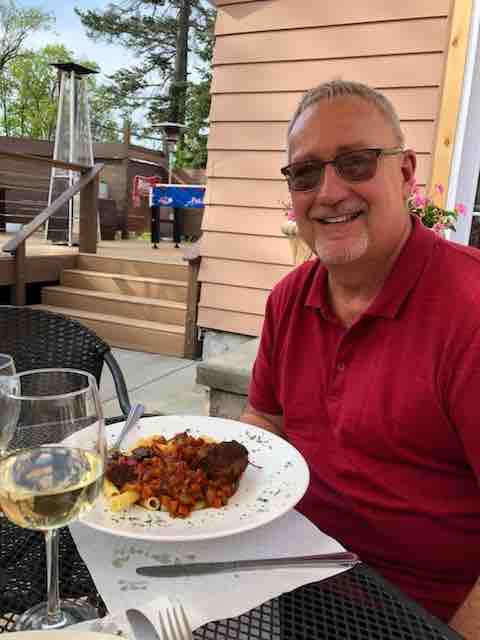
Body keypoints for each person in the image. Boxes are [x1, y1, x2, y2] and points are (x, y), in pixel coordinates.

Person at [240, 80, 480, 639]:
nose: (328, 192)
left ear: (405, 172)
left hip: (426, 617)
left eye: (355, 163)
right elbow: (265, 420)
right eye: (305, 173)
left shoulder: (469, 309)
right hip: (300, 581)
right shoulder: (289, 299)